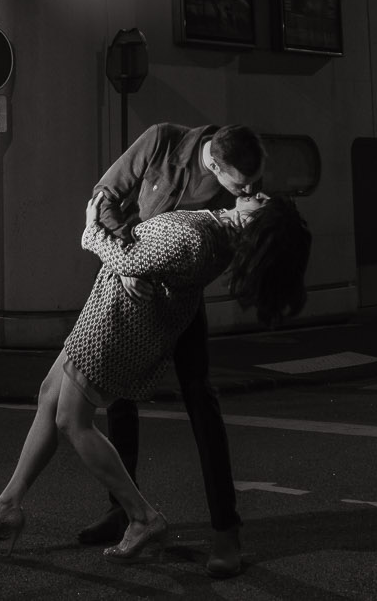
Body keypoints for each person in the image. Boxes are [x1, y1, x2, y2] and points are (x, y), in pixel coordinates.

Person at [0, 189, 311, 562]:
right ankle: (7, 506)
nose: (256, 191)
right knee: (50, 393)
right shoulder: (220, 235)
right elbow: (139, 260)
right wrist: (133, 264)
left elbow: (125, 256)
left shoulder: (195, 237)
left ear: (256, 222)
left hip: (117, 327)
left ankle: (142, 516)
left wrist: (91, 227)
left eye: (263, 200)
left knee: (71, 420)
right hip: (109, 314)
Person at [78, 122, 268, 577]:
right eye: (241, 184)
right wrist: (126, 261)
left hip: (183, 298)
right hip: (133, 288)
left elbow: (231, 244)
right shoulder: (162, 141)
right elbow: (105, 197)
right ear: (215, 164)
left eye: (253, 183)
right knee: (119, 396)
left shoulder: (238, 179)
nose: (249, 191)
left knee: (201, 399)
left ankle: (227, 531)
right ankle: (121, 511)